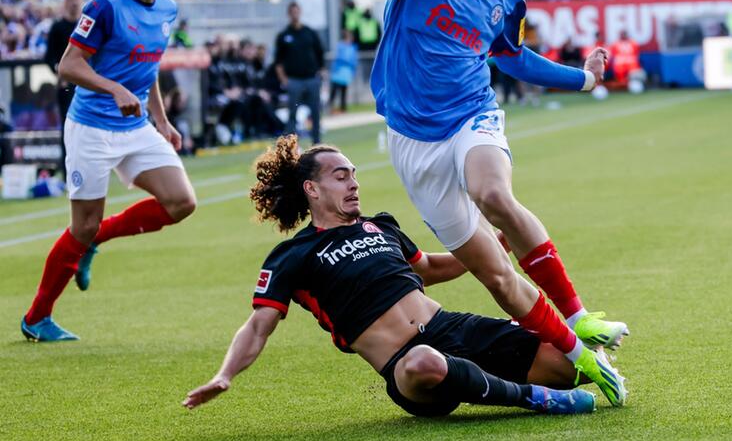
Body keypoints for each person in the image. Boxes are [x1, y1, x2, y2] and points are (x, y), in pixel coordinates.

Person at [359, 0, 627, 406]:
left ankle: (578, 317)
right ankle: (580, 358)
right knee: (495, 275)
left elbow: (512, 58)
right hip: (411, 140)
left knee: (493, 193)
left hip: (472, 116)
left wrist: (583, 78)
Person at [183, 137, 599, 416]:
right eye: (340, 176)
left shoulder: (380, 226)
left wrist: (496, 242)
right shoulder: (292, 255)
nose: (354, 183)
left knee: (574, 367)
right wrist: (225, 374)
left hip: (451, 327)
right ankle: (535, 400)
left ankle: (505, 375)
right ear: (311, 189)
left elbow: (434, 268)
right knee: (425, 363)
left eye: (354, 174)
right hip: (408, 367)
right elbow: (258, 327)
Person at [20, 0, 197, 342]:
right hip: (91, 129)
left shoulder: (167, 8)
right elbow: (69, 66)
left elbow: (148, 67)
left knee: (181, 202)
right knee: (80, 226)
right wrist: (114, 88)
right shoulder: (105, 6)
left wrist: (162, 119)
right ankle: (36, 318)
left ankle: (96, 239)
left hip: (135, 126)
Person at [43, 0, 84, 179]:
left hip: (87, 85)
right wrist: (59, 71)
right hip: (67, 86)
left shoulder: (86, 26)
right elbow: (49, 57)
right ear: (66, 2)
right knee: (68, 127)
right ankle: (69, 169)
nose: (75, 3)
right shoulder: (57, 27)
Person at [274, 1, 325, 145]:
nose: (295, 14)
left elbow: (319, 53)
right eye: (292, 12)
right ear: (289, 14)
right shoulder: (284, 36)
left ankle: (316, 142)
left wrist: (321, 72)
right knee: (292, 113)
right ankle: (291, 145)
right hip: (294, 80)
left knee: (315, 111)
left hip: (311, 78)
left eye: (297, 11)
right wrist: (283, 79)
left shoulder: (309, 33)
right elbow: (278, 61)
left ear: (300, 12)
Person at [329, 29, 358, 113]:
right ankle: (330, 107)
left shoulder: (352, 47)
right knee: (334, 90)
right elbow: (339, 58)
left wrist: (353, 70)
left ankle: (343, 108)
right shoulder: (341, 46)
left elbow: (353, 60)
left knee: (344, 90)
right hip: (339, 71)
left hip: (346, 72)